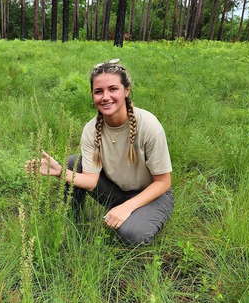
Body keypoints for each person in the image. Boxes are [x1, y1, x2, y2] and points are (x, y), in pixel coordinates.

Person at [24, 60, 174, 246]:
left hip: (152, 195)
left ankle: (139, 218)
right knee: (73, 163)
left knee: (131, 234)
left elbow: (163, 182)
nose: (105, 97)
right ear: (93, 95)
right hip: (118, 191)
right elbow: (91, 181)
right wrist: (61, 172)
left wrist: (127, 207)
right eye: (98, 91)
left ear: (126, 90)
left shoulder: (149, 126)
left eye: (113, 89)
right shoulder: (91, 130)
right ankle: (74, 226)